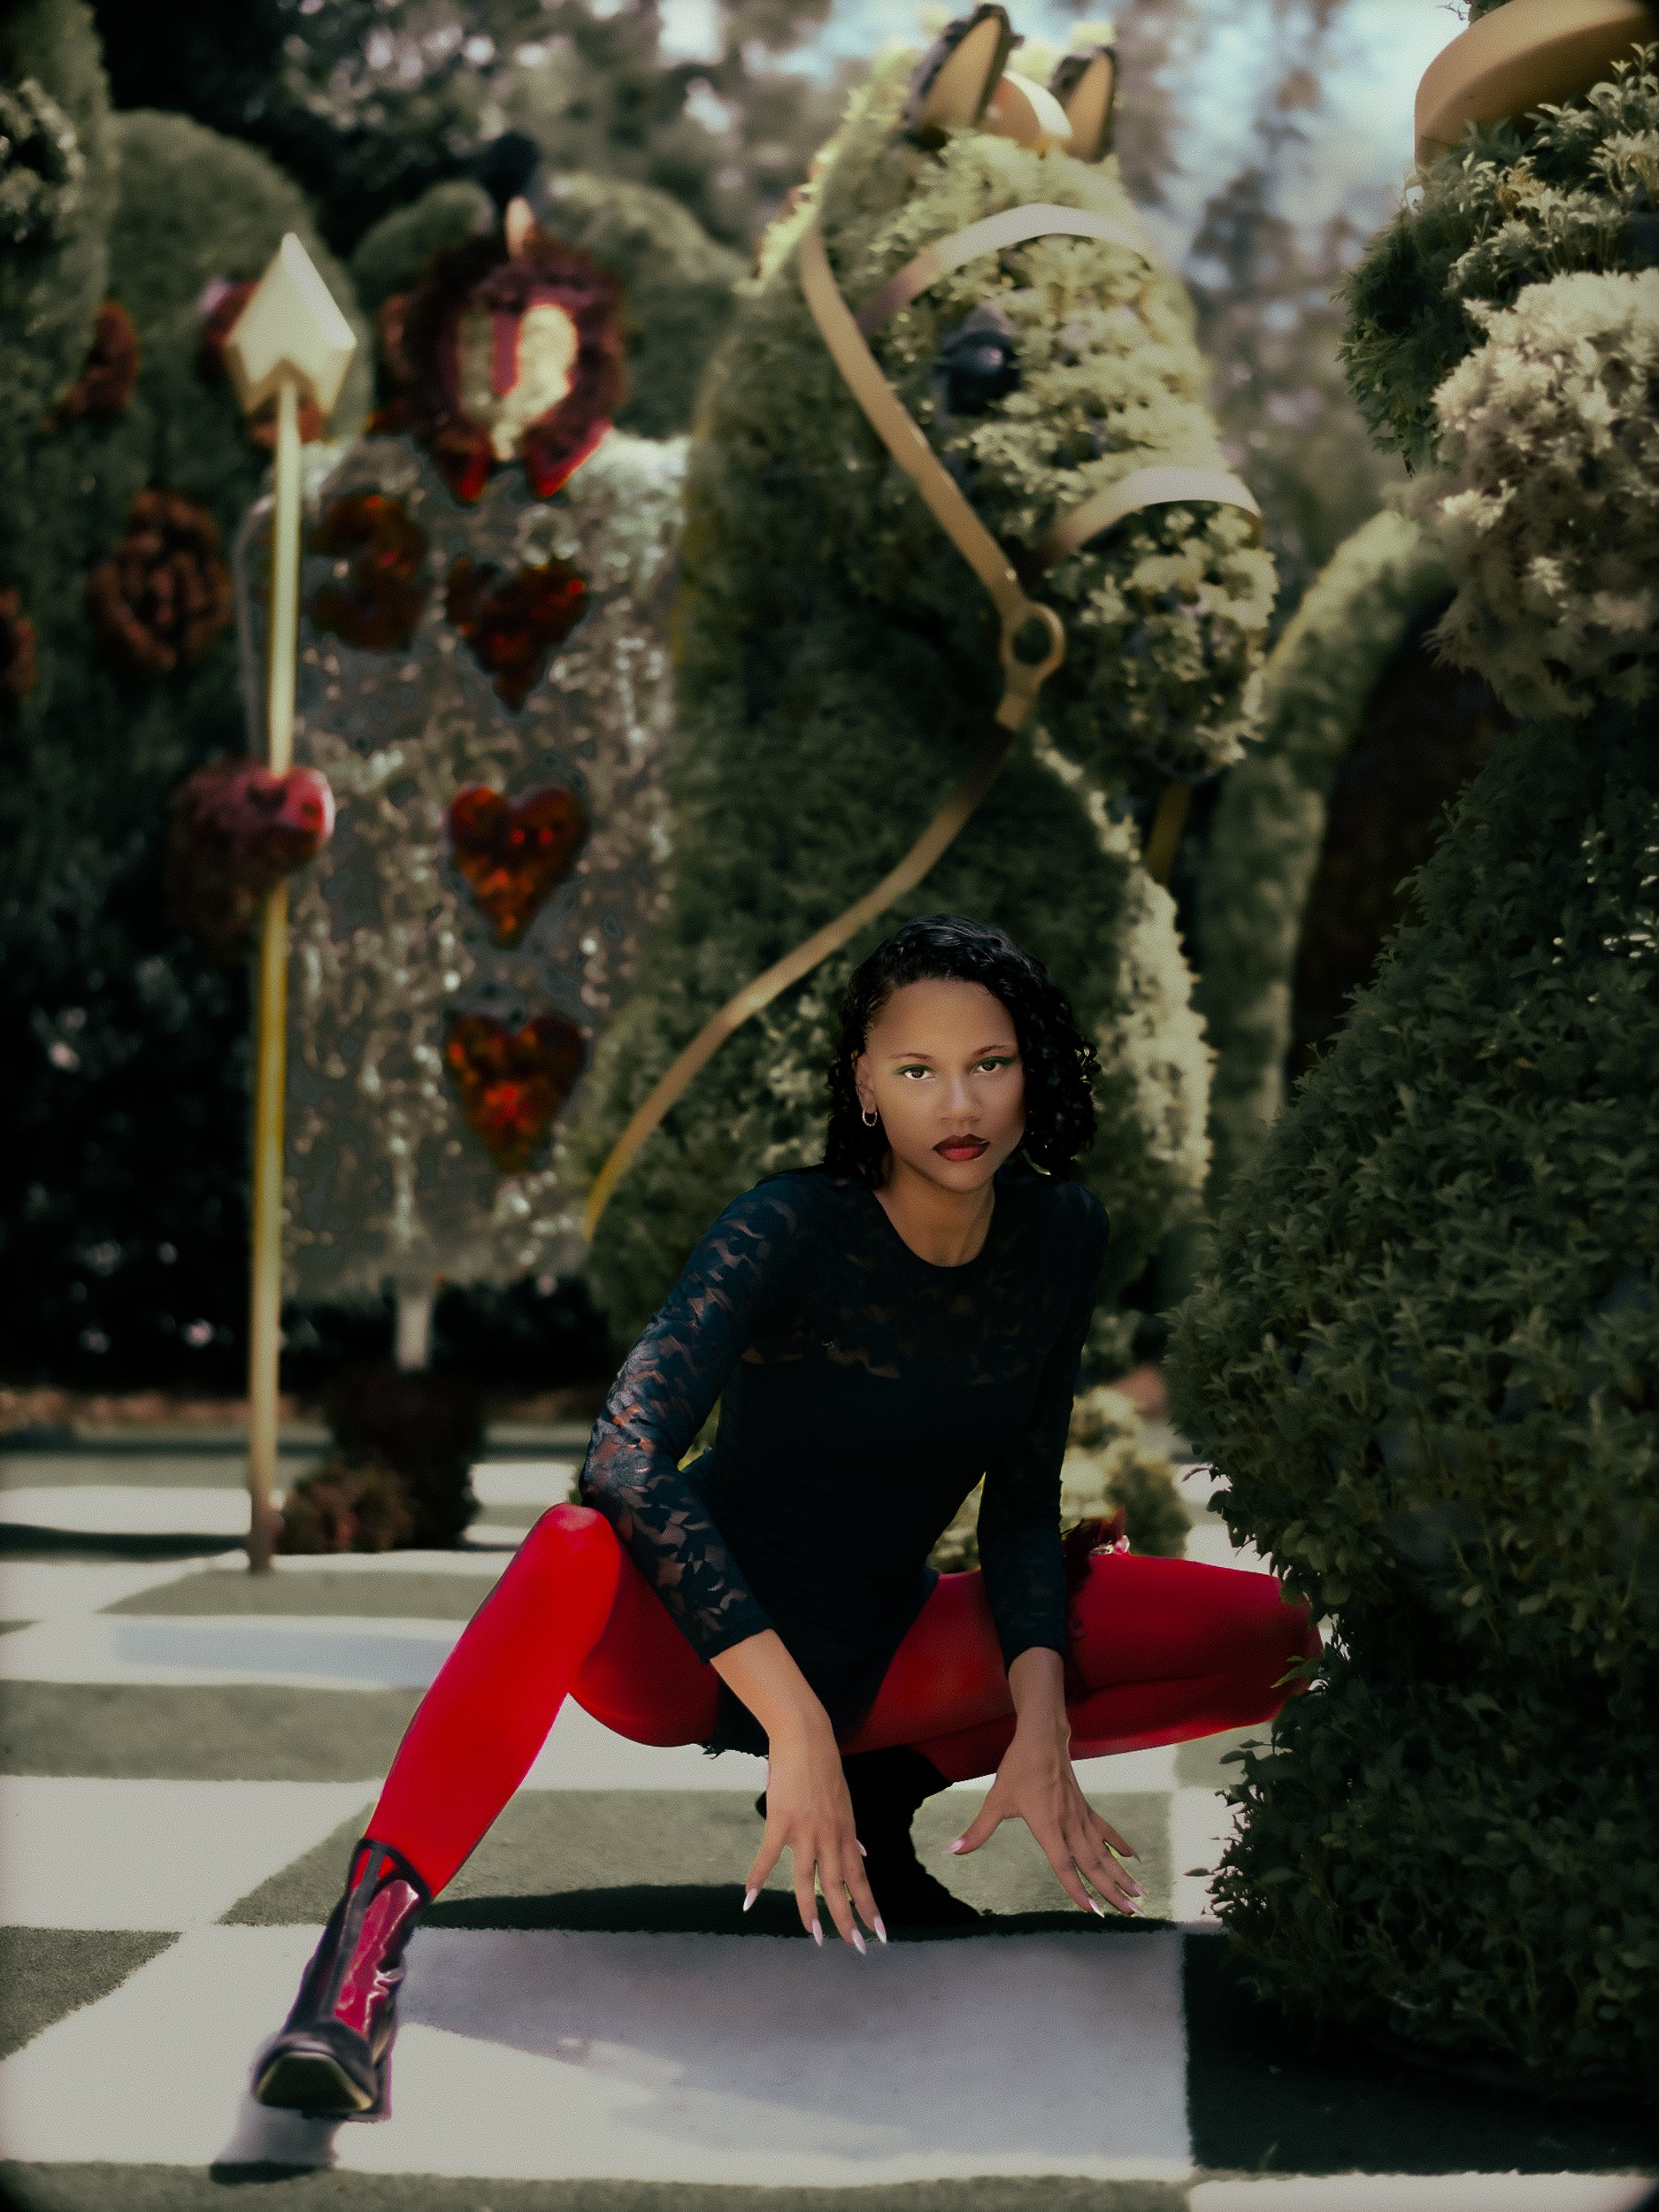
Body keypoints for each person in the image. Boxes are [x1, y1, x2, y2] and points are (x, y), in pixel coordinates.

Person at [252, 913, 1319, 2120]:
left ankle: (881, 1791)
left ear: (1034, 1069)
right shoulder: (788, 1227)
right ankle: (357, 1961)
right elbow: (622, 1458)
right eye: (917, 1070)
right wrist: (793, 1720)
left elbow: (1020, 1500)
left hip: (885, 1648)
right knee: (568, 1544)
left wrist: (1037, 1720)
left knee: (1281, 1636)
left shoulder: (1062, 1235)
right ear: (866, 1087)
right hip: (691, 1653)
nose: (956, 1102)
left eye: (989, 1064)